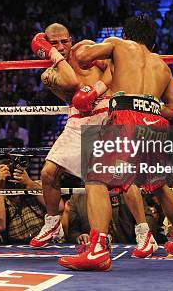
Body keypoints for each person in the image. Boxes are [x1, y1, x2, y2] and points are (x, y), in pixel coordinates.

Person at [60, 14, 173, 271]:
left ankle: (98, 250)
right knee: (158, 187)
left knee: (95, 179)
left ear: (126, 35)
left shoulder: (119, 45)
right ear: (153, 44)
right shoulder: (162, 66)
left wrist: (103, 56)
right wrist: (148, 106)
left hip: (125, 118)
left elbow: (82, 57)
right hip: (155, 122)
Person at [29, 23, 157, 258]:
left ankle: (144, 232)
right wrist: (53, 55)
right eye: (54, 43)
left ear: (71, 38)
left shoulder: (86, 49)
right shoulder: (49, 74)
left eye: (64, 41)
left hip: (107, 116)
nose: (61, 46)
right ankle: (53, 223)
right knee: (48, 173)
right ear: (46, 46)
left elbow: (115, 68)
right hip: (78, 122)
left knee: (122, 179)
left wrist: (97, 89)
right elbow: (70, 82)